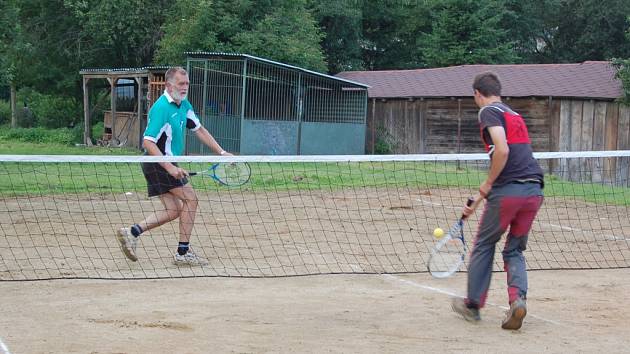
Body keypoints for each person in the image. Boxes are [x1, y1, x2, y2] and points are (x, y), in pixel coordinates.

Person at [451, 72, 544, 330]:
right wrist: (478, 199)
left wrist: (487, 187)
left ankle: (472, 306)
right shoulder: (513, 114)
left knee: (483, 244)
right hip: (534, 191)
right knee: (514, 249)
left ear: (478, 94)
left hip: (508, 192)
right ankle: (518, 302)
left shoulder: (488, 112)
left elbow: (502, 151)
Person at [116, 66, 231, 266]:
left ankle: (132, 232)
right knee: (191, 200)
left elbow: (200, 129)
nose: (185, 87)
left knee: (173, 210)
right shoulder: (161, 108)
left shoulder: (184, 105)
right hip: (157, 163)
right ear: (169, 86)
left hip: (163, 163)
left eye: (186, 83)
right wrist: (170, 168)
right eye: (181, 83)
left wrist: (221, 152)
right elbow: (148, 142)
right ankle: (182, 252)